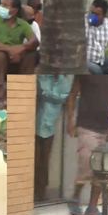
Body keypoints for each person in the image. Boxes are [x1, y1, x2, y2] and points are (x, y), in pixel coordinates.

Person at [66, 75, 108, 215]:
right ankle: (75, 198)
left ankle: (92, 207)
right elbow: (73, 94)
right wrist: (70, 121)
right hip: (87, 126)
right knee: (86, 163)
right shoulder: (87, 72)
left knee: (105, 167)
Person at [0, 0, 39, 105]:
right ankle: (0, 92)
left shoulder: (23, 24)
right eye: (2, 4)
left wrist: (22, 48)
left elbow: (34, 42)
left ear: (14, 10)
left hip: (14, 62)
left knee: (31, 53)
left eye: (5, 5)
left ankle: (24, 91)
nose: (1, 8)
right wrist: (10, 50)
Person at [34, 74, 72, 202]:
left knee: (44, 163)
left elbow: (66, 98)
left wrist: (45, 94)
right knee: (33, 161)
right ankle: (30, 191)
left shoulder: (64, 81)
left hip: (49, 128)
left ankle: (41, 192)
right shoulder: (40, 77)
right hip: (33, 128)